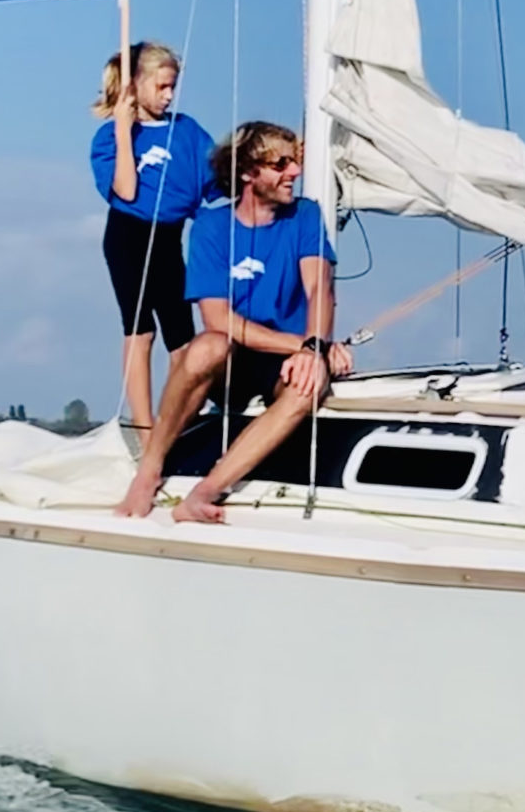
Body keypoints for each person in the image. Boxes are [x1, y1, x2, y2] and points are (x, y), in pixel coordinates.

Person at [112, 121, 353, 523]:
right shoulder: (211, 226)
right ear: (247, 173)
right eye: (280, 164)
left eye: (294, 162)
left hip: (285, 361)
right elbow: (218, 318)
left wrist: (314, 350)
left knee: (306, 387)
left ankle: (204, 494)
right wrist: (311, 346)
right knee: (206, 345)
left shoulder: (305, 215)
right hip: (234, 355)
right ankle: (148, 470)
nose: (294, 172)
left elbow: (319, 288)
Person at [90, 42, 215, 432]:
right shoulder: (109, 138)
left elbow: (217, 182)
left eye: (172, 86)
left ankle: (172, 425)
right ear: (136, 85)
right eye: (161, 86)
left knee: (183, 342)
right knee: (141, 330)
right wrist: (124, 131)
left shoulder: (188, 132)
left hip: (170, 239)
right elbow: (126, 191)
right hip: (128, 235)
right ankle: (144, 430)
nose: (168, 95)